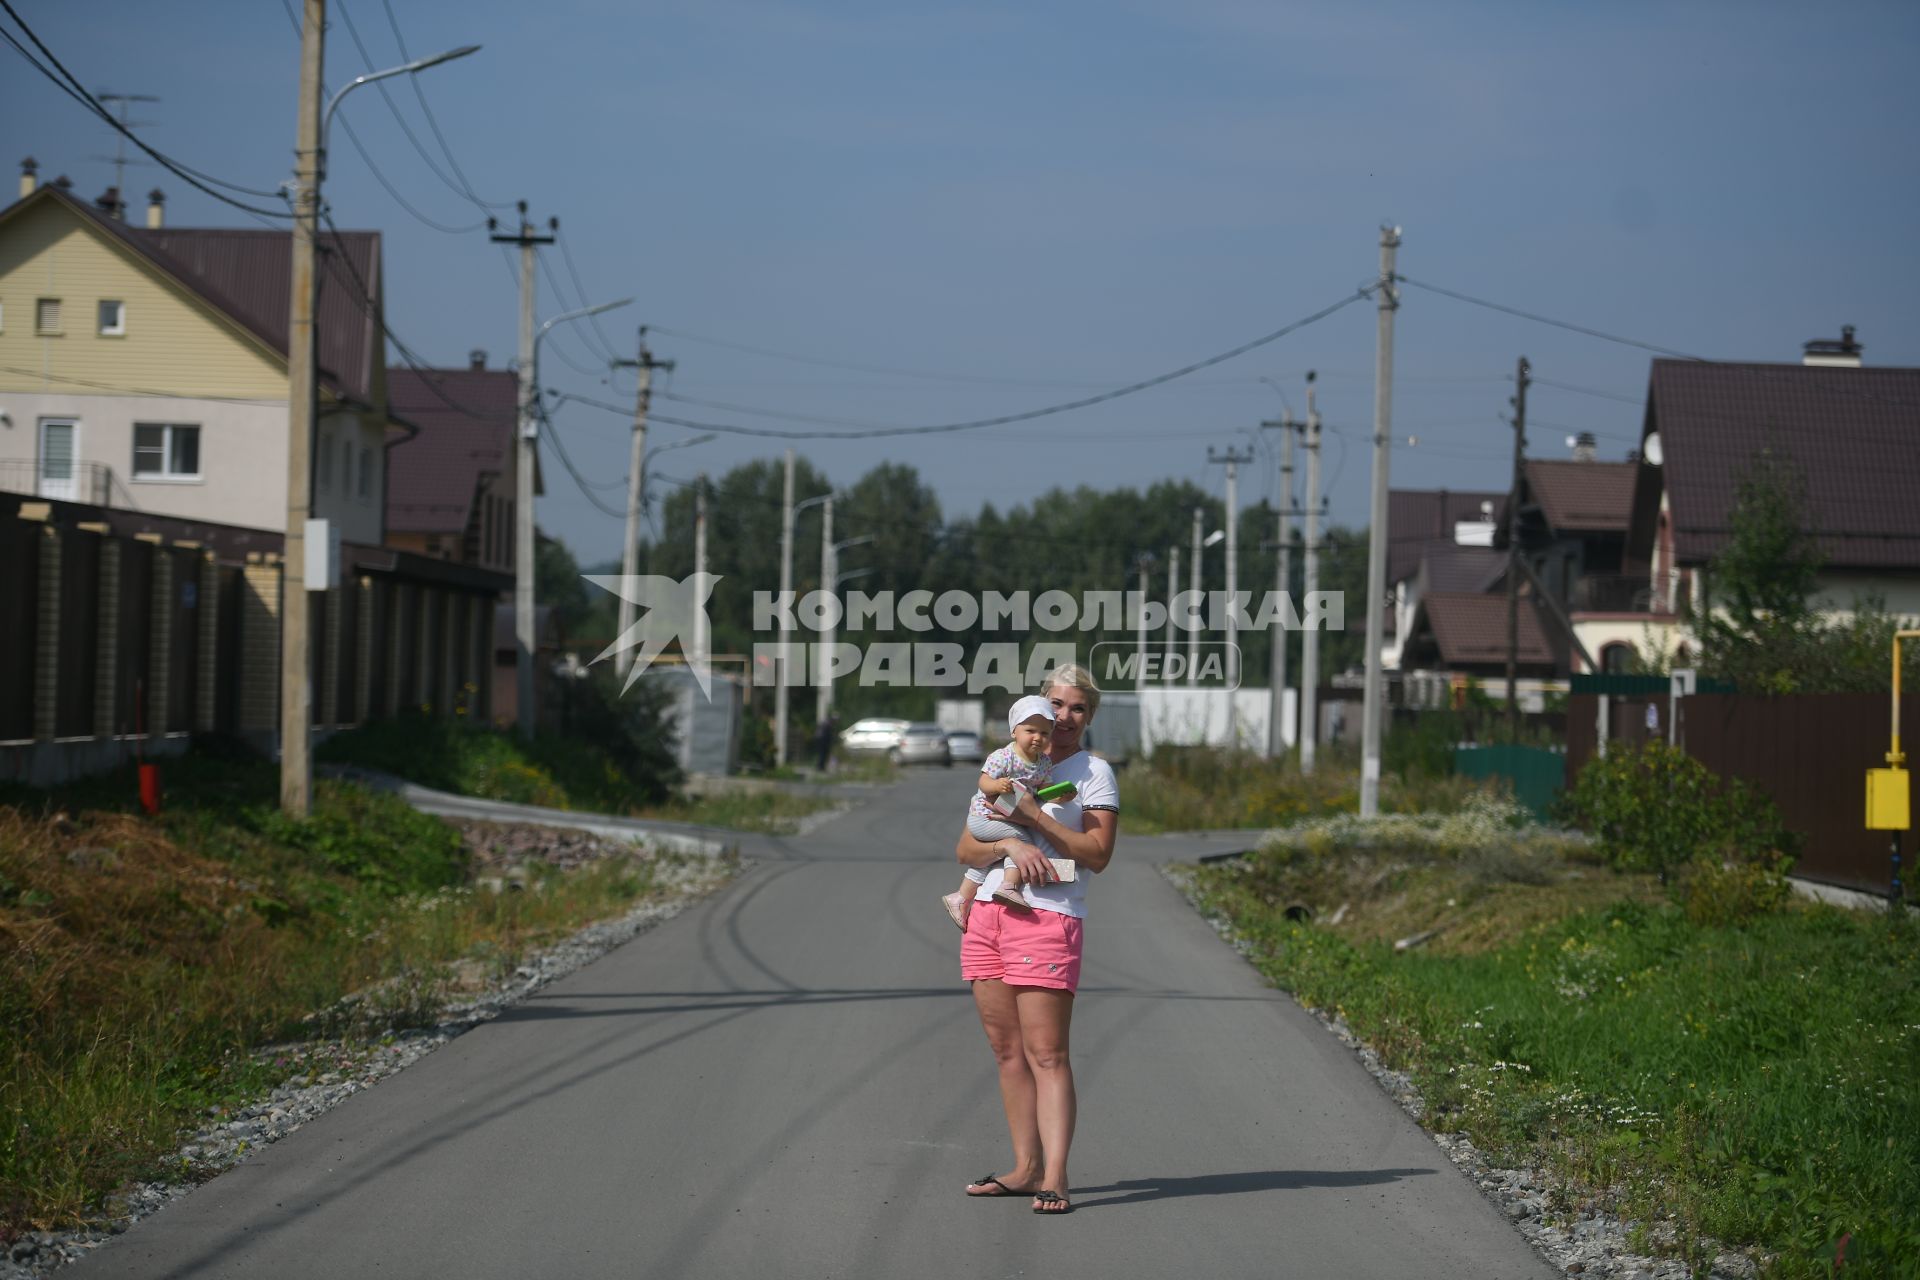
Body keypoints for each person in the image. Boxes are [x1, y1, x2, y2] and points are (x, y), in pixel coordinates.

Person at [953, 664, 1118, 1216]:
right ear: (1035, 709)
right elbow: (967, 848)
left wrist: (1032, 818)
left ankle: (1055, 1176)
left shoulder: (1093, 772)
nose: (1064, 717)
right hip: (989, 917)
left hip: (1048, 918)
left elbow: (1097, 854)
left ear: (1088, 716)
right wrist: (1008, 849)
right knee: (1007, 1053)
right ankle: (1023, 1168)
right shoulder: (1011, 761)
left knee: (1047, 1054)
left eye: (1077, 709)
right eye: (1056, 705)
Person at [940, 695, 1074, 928]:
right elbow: (983, 782)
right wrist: (997, 785)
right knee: (1021, 841)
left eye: (1044, 733)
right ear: (1014, 731)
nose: (1037, 738)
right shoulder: (1004, 756)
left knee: (992, 860)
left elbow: (1044, 789)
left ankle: (961, 897)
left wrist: (1062, 794)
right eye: (1030, 730)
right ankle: (1009, 887)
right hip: (984, 816)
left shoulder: (1043, 763)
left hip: (1007, 817)